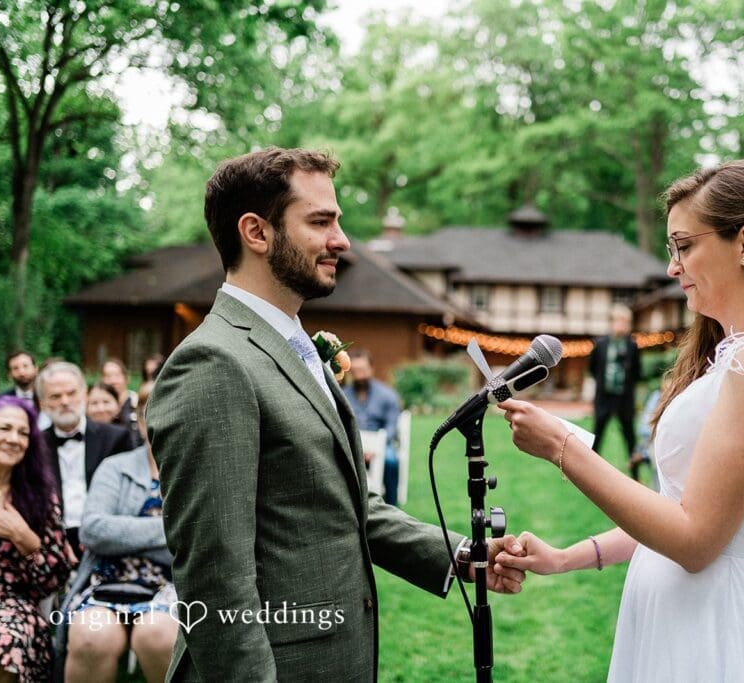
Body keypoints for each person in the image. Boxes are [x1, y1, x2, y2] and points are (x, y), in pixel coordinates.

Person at [146, 147, 525, 681]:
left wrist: (460, 554)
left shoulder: (295, 344)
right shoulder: (214, 364)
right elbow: (215, 575)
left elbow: (340, 503)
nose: (342, 241)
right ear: (256, 233)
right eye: (320, 221)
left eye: (337, 221)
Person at [496, 159, 744, 681]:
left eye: (684, 245)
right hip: (687, 616)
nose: (672, 266)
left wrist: (564, 447)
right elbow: (682, 506)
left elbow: (696, 541)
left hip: (716, 630)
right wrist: (567, 558)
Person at [59, 382, 178, 683]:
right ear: (139, 421)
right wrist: (169, 530)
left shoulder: (196, 474)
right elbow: (94, 531)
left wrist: (125, 537)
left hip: (175, 584)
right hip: (108, 580)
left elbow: (200, 543)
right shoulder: (115, 468)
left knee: (158, 635)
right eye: (149, 414)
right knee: (90, 637)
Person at [0, 396, 74, 683]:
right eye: (4, 428)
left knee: (3, 643)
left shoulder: (38, 497)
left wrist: (25, 539)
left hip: (12, 606)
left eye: (23, 432)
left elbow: (55, 579)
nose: (14, 439)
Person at [36, 362, 134, 559]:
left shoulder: (116, 437)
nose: (65, 401)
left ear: (84, 395)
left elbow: (130, 496)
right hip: (52, 544)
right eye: (55, 396)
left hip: (105, 541)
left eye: (71, 393)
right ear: (43, 404)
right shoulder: (34, 445)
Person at [343, 348, 403, 506]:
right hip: (352, 446)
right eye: (355, 371)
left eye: (362, 370)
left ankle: (392, 506)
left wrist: (374, 448)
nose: (359, 375)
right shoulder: (342, 395)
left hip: (381, 445)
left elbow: (391, 427)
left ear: (371, 368)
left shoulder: (387, 395)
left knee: (391, 461)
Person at [588, 304, 642, 478]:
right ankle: (588, 471)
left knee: (629, 437)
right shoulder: (601, 344)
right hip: (604, 397)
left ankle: (635, 473)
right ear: (612, 323)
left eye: (626, 322)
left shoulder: (632, 346)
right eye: (619, 321)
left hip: (624, 399)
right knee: (597, 435)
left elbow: (637, 372)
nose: (622, 326)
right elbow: (592, 368)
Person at [100, 359, 138, 438]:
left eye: (117, 375)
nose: (113, 380)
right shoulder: (100, 406)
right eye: (108, 376)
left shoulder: (136, 402)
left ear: (126, 378)